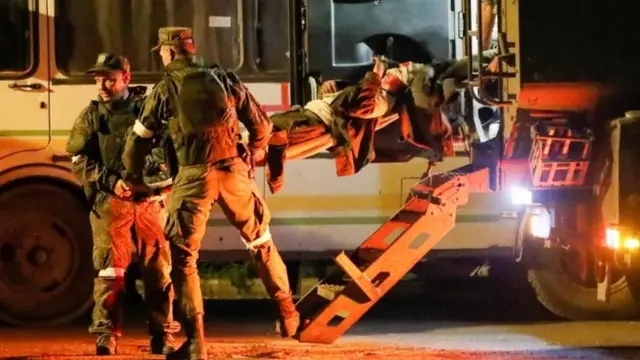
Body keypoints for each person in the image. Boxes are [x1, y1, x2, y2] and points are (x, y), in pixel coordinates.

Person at [122, 27, 300, 360]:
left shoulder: (165, 89)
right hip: (234, 173)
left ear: (171, 53)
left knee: (184, 259)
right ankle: (289, 314)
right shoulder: (224, 77)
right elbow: (262, 126)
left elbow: (138, 140)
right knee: (260, 241)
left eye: (161, 52)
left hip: (193, 177)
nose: (160, 57)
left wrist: (134, 178)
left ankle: (196, 343)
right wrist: (252, 151)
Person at [66, 53, 179, 356]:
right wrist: (109, 181)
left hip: (149, 203)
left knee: (158, 272)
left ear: (126, 78)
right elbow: (78, 159)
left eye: (109, 78)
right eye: (98, 78)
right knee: (109, 272)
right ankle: (106, 336)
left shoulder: (149, 109)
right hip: (110, 204)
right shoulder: (91, 116)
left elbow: (170, 150)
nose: (102, 84)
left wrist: (157, 184)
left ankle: (163, 335)